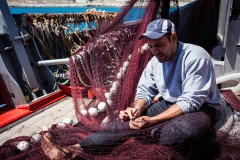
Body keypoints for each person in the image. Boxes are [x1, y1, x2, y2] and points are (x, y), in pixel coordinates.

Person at [41, 19, 222, 159]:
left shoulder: (195, 57)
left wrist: (152, 121)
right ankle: (74, 151)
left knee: (184, 133)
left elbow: (190, 102)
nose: (154, 51)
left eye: (159, 45)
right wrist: (137, 109)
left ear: (173, 38)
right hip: (169, 103)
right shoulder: (154, 62)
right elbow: (145, 92)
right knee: (125, 122)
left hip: (202, 108)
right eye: (150, 47)